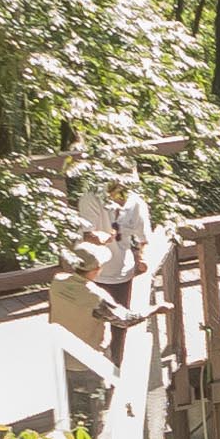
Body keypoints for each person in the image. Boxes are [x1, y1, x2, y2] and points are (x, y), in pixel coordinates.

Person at [74, 153, 153, 364]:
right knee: (92, 324)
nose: (123, 191)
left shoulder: (136, 203)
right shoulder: (91, 199)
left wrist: (141, 258)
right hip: (93, 272)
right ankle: (91, 367)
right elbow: (86, 232)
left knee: (120, 323)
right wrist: (97, 238)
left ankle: (118, 366)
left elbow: (143, 237)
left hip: (122, 273)